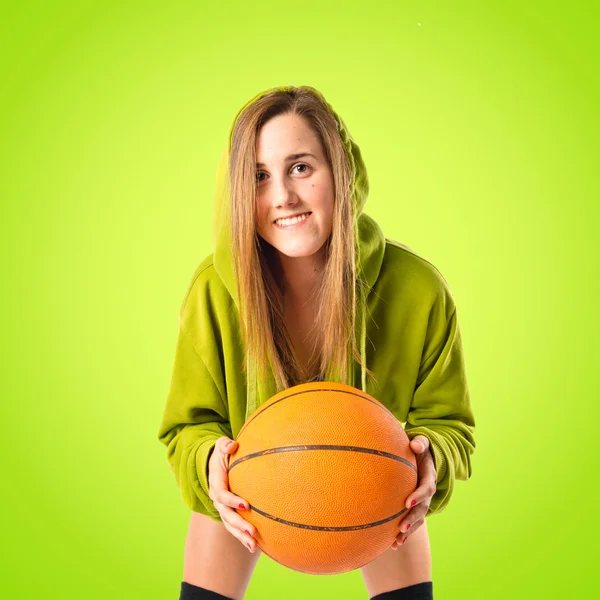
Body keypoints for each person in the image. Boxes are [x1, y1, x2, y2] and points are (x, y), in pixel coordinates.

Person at [157, 84, 476, 600]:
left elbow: (450, 424)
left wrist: (429, 457)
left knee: (403, 521)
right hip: (250, 489)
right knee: (221, 509)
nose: (282, 195)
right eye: (259, 177)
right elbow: (187, 429)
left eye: (300, 167)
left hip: (376, 492)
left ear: (341, 173)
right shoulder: (214, 291)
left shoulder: (418, 289)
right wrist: (208, 463)